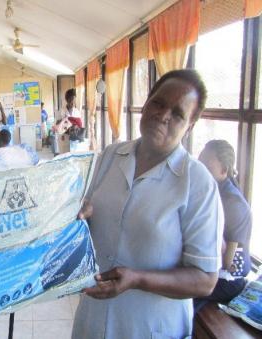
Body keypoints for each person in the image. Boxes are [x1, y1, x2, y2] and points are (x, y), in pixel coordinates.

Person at [72, 69, 222, 338]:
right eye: (158, 102)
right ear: (146, 102)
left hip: (150, 326)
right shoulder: (110, 156)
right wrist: (80, 214)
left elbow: (205, 280)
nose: (163, 115)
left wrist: (138, 279)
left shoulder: (197, 183)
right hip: (92, 320)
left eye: (177, 114)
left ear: (189, 127)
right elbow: (87, 213)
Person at [194, 140, 252, 312]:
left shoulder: (233, 203)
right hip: (212, 269)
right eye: (200, 165)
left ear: (224, 170)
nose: (201, 172)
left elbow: (227, 262)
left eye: (208, 168)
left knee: (174, 288)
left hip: (227, 280)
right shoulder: (213, 190)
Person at [52, 89, 82, 155]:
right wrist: (64, 121)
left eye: (74, 101)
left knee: (73, 157)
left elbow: (80, 125)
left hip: (74, 139)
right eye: (71, 100)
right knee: (64, 156)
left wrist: (75, 126)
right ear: (67, 100)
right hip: (64, 138)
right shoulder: (61, 111)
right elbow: (57, 127)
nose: (72, 103)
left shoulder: (77, 112)